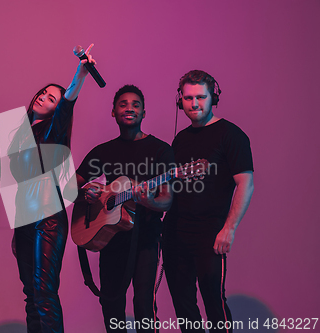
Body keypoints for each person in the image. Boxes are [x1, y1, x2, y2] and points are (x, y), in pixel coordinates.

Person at [9, 44, 97, 333]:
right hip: (24, 222)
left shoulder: (53, 131)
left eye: (51, 98)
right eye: (43, 93)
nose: (43, 98)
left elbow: (68, 102)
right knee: (31, 297)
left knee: (44, 294)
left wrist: (80, 75)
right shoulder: (21, 135)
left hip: (47, 221)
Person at [76, 85, 174, 333]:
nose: (129, 108)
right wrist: (86, 192)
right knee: (111, 304)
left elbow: (166, 200)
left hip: (146, 238)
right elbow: (70, 187)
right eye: (123, 104)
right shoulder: (103, 151)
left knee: (143, 303)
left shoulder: (160, 150)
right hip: (111, 239)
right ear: (113, 112)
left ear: (143, 113)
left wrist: (144, 200)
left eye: (136, 104)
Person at [163, 70, 254, 333]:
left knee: (213, 301)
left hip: (210, 232)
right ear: (180, 100)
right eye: (188, 98)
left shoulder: (231, 135)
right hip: (175, 232)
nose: (194, 104)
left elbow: (245, 184)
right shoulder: (180, 139)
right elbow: (173, 187)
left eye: (201, 97)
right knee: (183, 304)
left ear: (213, 97)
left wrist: (229, 228)